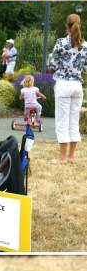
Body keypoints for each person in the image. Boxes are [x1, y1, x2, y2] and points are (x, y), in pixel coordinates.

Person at [49, 12, 87, 164]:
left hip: (63, 85)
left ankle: (62, 158)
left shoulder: (60, 43)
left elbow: (52, 64)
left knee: (62, 121)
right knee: (73, 121)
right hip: (77, 86)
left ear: (67, 26)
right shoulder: (85, 46)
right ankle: (71, 157)